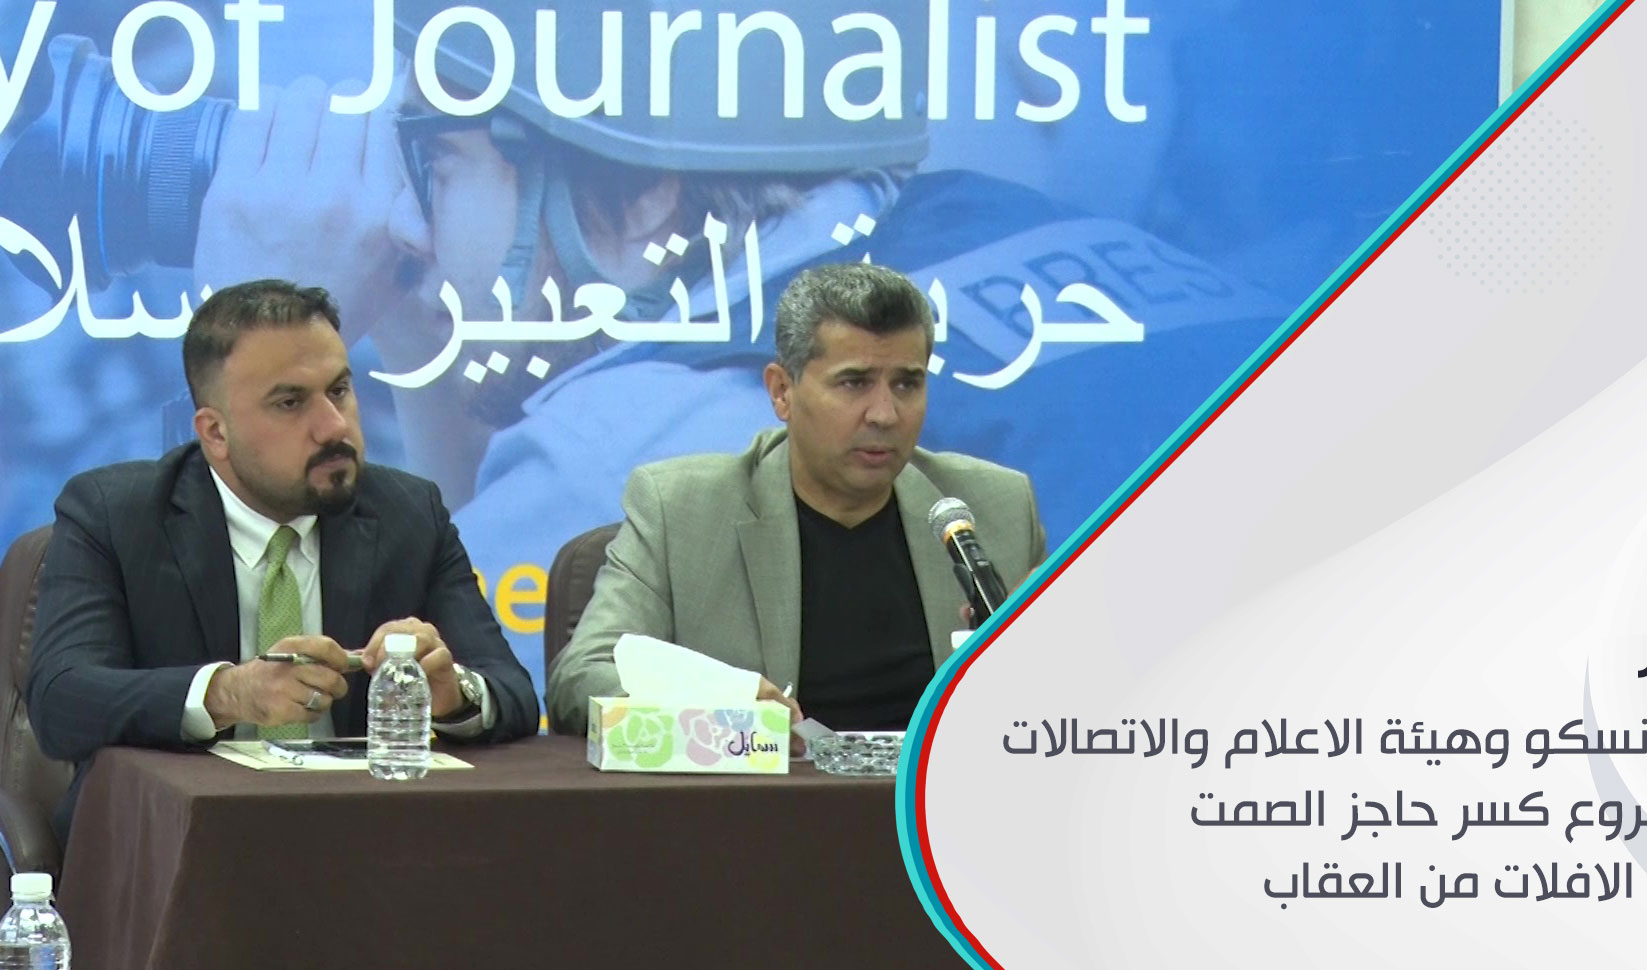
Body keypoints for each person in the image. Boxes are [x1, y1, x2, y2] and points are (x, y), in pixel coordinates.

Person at [183, 0, 1288, 702]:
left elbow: (329, 713)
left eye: (438, 162)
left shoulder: (638, 440)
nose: (409, 223)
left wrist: (248, 322)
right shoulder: (1062, 242)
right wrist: (429, 347)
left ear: (639, 199)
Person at [25, 279, 539, 842]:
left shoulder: (409, 513)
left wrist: (453, 694)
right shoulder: (115, 516)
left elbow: (511, 691)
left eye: (339, 390)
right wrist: (229, 693)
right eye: (290, 403)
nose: (333, 426)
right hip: (177, 844)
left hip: (370, 843)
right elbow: (61, 700)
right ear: (215, 433)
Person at [545, 264, 1044, 735]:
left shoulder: (994, 507)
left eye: (907, 384)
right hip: (768, 797)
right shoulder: (680, 512)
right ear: (782, 391)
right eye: (854, 383)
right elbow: (582, 678)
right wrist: (721, 708)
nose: (885, 414)